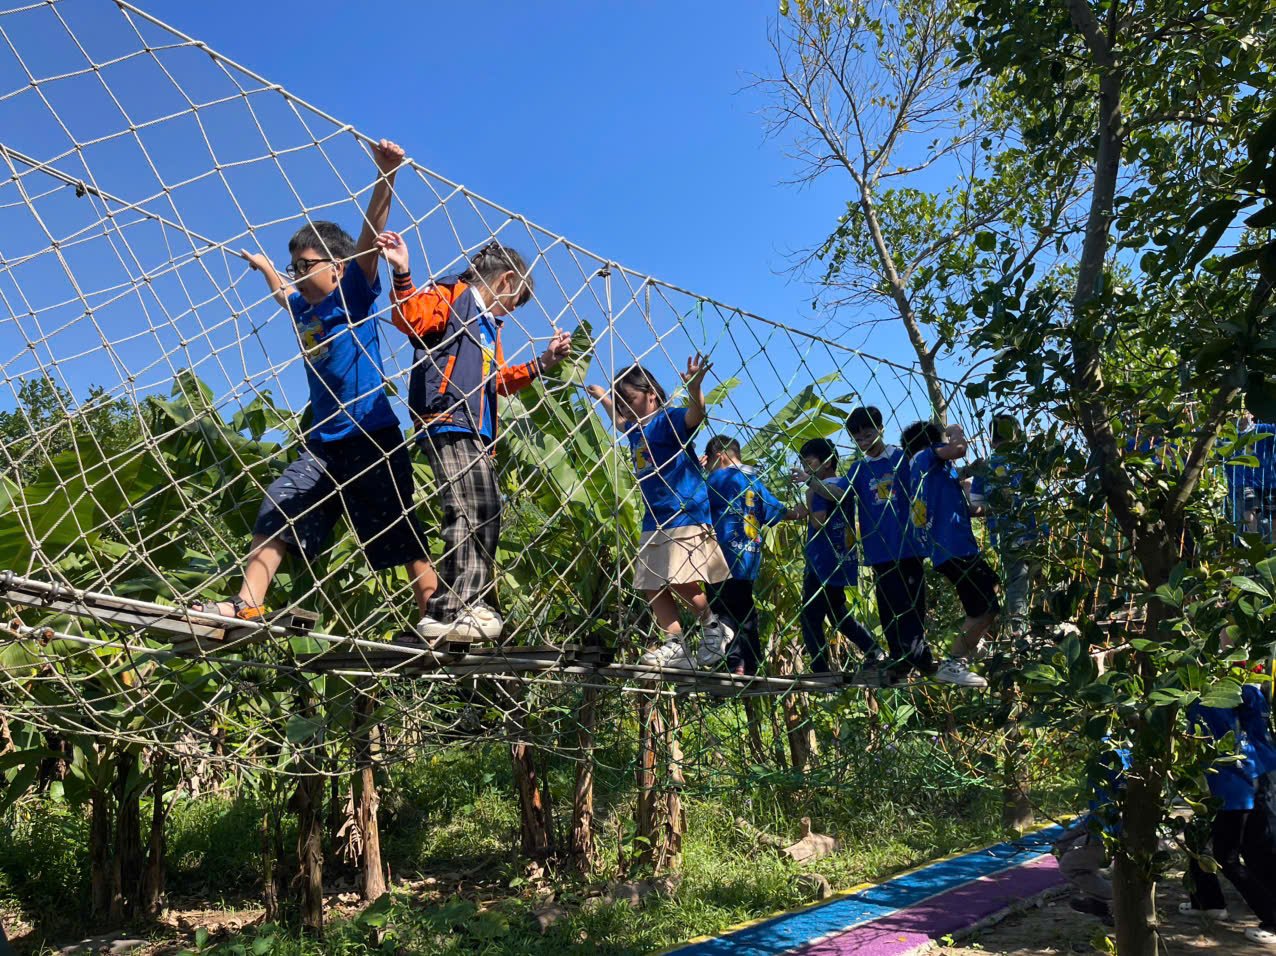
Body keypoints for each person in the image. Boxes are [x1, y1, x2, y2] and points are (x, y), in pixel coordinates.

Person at [196, 140, 436, 638]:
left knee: (397, 530)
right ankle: (246, 604)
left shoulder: (353, 293)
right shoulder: (305, 309)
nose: (297, 274)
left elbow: (369, 240)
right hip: (324, 444)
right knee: (279, 505)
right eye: (295, 266)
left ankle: (434, 614)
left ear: (336, 268)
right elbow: (283, 295)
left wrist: (386, 176)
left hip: (372, 438)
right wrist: (265, 268)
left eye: (305, 264)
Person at [376, 231, 571, 644]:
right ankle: (451, 609)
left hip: (477, 427)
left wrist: (543, 362)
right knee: (465, 510)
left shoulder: (489, 327)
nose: (512, 311)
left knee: (485, 510)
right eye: (516, 302)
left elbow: (498, 381)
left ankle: (464, 604)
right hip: (446, 416)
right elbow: (409, 317)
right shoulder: (452, 294)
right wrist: (403, 271)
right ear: (506, 282)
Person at [587, 359, 733, 670]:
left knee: (676, 576)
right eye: (622, 400)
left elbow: (696, 415)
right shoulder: (635, 430)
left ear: (651, 394)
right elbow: (618, 421)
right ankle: (676, 645)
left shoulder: (668, 420)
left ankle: (712, 626)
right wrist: (603, 398)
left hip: (684, 512)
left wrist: (695, 389)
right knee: (650, 581)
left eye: (630, 398)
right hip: (655, 517)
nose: (624, 406)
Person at [809, 407, 936, 683]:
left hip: (907, 546)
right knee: (888, 605)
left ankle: (918, 656)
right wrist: (813, 483)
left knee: (912, 604)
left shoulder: (903, 459)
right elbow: (840, 494)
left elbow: (926, 483)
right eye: (857, 438)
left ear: (881, 429)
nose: (863, 441)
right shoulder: (858, 468)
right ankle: (901, 659)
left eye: (868, 434)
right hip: (878, 550)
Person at [900, 420, 995, 688]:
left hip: (951, 549)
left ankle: (971, 643)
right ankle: (954, 662)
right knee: (984, 610)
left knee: (989, 592)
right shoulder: (926, 456)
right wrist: (953, 430)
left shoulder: (926, 472)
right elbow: (960, 450)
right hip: (955, 549)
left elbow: (964, 509)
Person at [1183, 685, 1276, 945]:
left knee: (1230, 857)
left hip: (1235, 787)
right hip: (1238, 782)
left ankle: (1272, 918)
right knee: (1200, 842)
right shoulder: (1240, 699)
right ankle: (1208, 903)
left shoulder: (1213, 699)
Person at [703, 435, 803, 675]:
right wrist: (801, 512)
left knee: (721, 611)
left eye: (709, 464)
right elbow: (777, 512)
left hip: (721, 557)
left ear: (719, 457)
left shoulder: (718, 478)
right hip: (748, 558)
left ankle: (733, 661)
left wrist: (695, 473)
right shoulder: (754, 482)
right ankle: (750, 663)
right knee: (745, 611)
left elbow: (691, 500)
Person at [792, 438, 885, 679]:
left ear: (826, 462)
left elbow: (819, 520)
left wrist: (808, 502)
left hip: (822, 561)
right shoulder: (842, 483)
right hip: (842, 558)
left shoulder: (820, 487)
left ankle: (821, 668)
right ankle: (874, 650)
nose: (806, 467)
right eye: (803, 463)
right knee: (836, 613)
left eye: (809, 462)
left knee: (810, 615)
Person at [968, 414, 1041, 639]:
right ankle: (1048, 622)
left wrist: (998, 510)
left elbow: (976, 504)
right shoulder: (1027, 460)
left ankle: (1019, 632)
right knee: (1042, 576)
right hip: (1034, 528)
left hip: (1006, 535)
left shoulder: (986, 467)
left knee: (1017, 582)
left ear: (991, 439)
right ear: (1016, 435)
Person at [1054, 741, 1132, 926]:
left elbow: (1111, 803)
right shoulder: (1115, 747)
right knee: (1060, 846)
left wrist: (1103, 836)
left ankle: (1122, 903)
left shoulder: (1106, 755)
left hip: (1109, 825)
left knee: (1070, 867)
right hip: (1097, 819)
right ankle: (1097, 901)